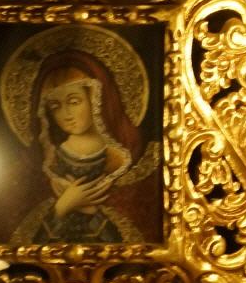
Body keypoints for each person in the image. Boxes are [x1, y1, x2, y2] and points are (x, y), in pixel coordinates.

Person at [16, 49, 155, 244]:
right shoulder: (49, 163)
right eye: (55, 106)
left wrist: (87, 209)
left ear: (96, 99)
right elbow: (31, 241)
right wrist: (64, 205)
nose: (66, 114)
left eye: (74, 102)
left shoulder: (129, 162)